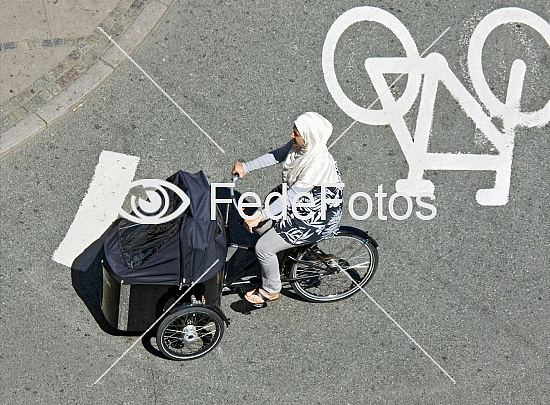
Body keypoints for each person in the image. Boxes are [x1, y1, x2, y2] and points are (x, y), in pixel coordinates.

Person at [231, 112, 343, 307]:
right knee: (259, 227)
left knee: (263, 248)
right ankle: (292, 250)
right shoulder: (302, 147)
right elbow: (276, 155)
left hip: (311, 215)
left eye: (296, 133)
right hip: (297, 201)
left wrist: (261, 215)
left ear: (309, 136)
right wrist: (246, 166)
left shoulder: (316, 164)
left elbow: (291, 198)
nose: (292, 136)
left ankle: (271, 290)